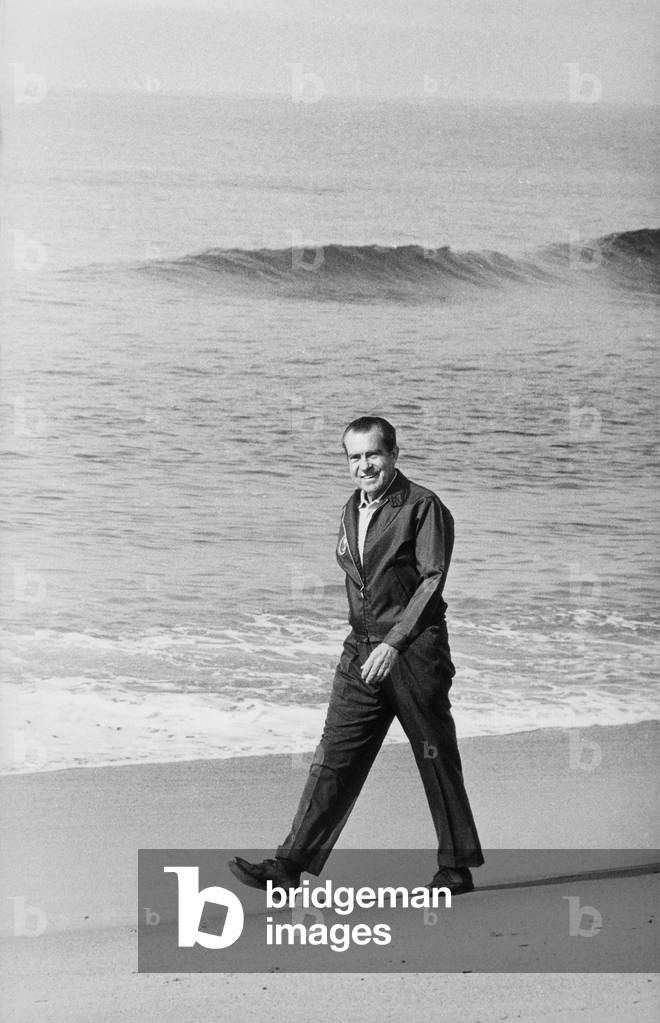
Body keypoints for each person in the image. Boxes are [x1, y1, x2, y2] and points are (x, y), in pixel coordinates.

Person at [230, 416, 483, 895]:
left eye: (373, 455)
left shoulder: (422, 506)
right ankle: (288, 866)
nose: (364, 465)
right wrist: (368, 641)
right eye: (354, 457)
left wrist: (395, 643)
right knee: (334, 756)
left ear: (393, 454)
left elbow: (432, 581)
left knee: (435, 756)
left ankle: (456, 867)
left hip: (415, 652)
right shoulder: (350, 509)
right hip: (361, 650)